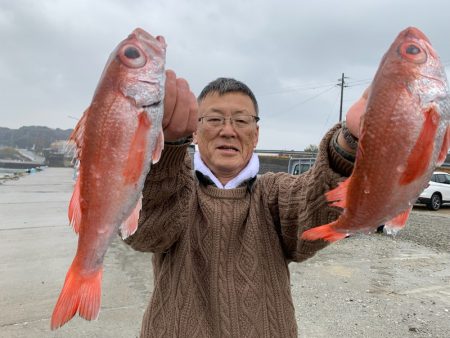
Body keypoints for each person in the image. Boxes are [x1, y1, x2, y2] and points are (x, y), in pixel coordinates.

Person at [124, 70, 363, 337]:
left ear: (256, 133)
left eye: (241, 120)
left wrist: (348, 144)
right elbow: (143, 233)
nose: (228, 131)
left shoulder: (273, 193)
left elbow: (314, 207)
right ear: (195, 131)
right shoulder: (174, 189)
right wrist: (168, 148)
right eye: (214, 119)